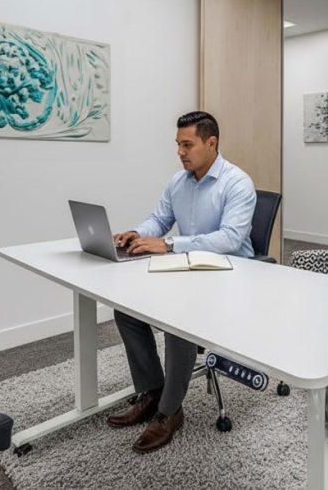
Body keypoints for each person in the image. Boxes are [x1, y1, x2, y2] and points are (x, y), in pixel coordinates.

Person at [107, 111, 256, 453]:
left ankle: (169, 411)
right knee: (127, 312)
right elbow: (159, 219)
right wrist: (138, 233)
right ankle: (153, 391)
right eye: (178, 144)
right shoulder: (179, 181)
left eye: (187, 145)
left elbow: (230, 239)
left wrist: (171, 244)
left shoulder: (237, 183)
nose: (180, 152)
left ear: (211, 143)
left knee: (177, 320)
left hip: (232, 275)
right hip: (190, 269)